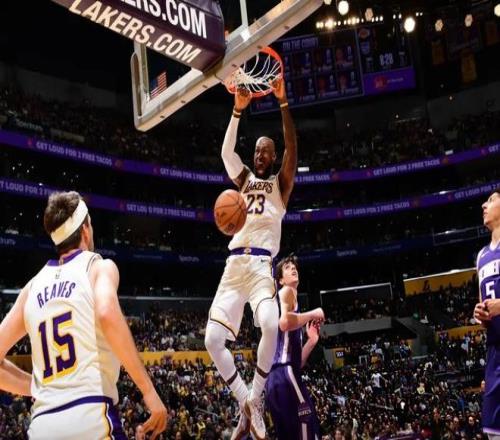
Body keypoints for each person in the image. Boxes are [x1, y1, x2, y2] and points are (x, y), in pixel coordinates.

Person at [0, 191, 167, 439]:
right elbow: (107, 313)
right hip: (90, 416)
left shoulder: (31, 288)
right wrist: (149, 392)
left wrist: (38, 387)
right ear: (86, 230)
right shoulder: (98, 267)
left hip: (42, 425)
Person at [204, 78, 297, 440]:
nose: (260, 155)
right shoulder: (242, 181)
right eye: (257, 150)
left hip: (260, 266)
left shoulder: (280, 185)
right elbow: (227, 154)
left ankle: (256, 398)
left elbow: (292, 147)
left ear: (273, 158)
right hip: (233, 265)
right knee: (212, 340)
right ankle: (245, 399)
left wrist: (283, 103)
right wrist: (237, 111)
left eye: (266, 152)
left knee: (270, 325)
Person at [265, 254, 324, 439]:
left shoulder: (293, 308)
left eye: (294, 266)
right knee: (307, 423)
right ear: (281, 280)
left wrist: (311, 341)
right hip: (284, 373)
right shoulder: (287, 292)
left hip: (278, 378)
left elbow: (297, 363)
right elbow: (284, 323)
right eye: (287, 267)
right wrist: (313, 313)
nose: (293, 268)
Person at [473, 187, 500, 439]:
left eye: (491, 200)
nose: (484, 205)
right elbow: (485, 306)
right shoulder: (481, 256)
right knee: (493, 432)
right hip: (494, 350)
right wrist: (480, 314)